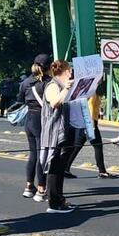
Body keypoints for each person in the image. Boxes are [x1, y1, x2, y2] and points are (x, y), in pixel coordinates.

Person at [38, 60, 88, 213]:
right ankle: (54, 201)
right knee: (55, 165)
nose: (71, 73)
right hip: (54, 130)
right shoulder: (53, 85)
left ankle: (59, 198)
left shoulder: (62, 86)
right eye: (70, 71)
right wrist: (66, 89)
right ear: (65, 71)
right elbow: (54, 102)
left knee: (60, 166)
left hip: (63, 129)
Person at [19, 54, 51, 201]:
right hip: (41, 120)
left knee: (33, 154)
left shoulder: (25, 82)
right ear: (47, 67)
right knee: (42, 155)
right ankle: (41, 188)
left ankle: (29, 186)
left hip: (29, 120)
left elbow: (20, 100)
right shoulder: (47, 83)